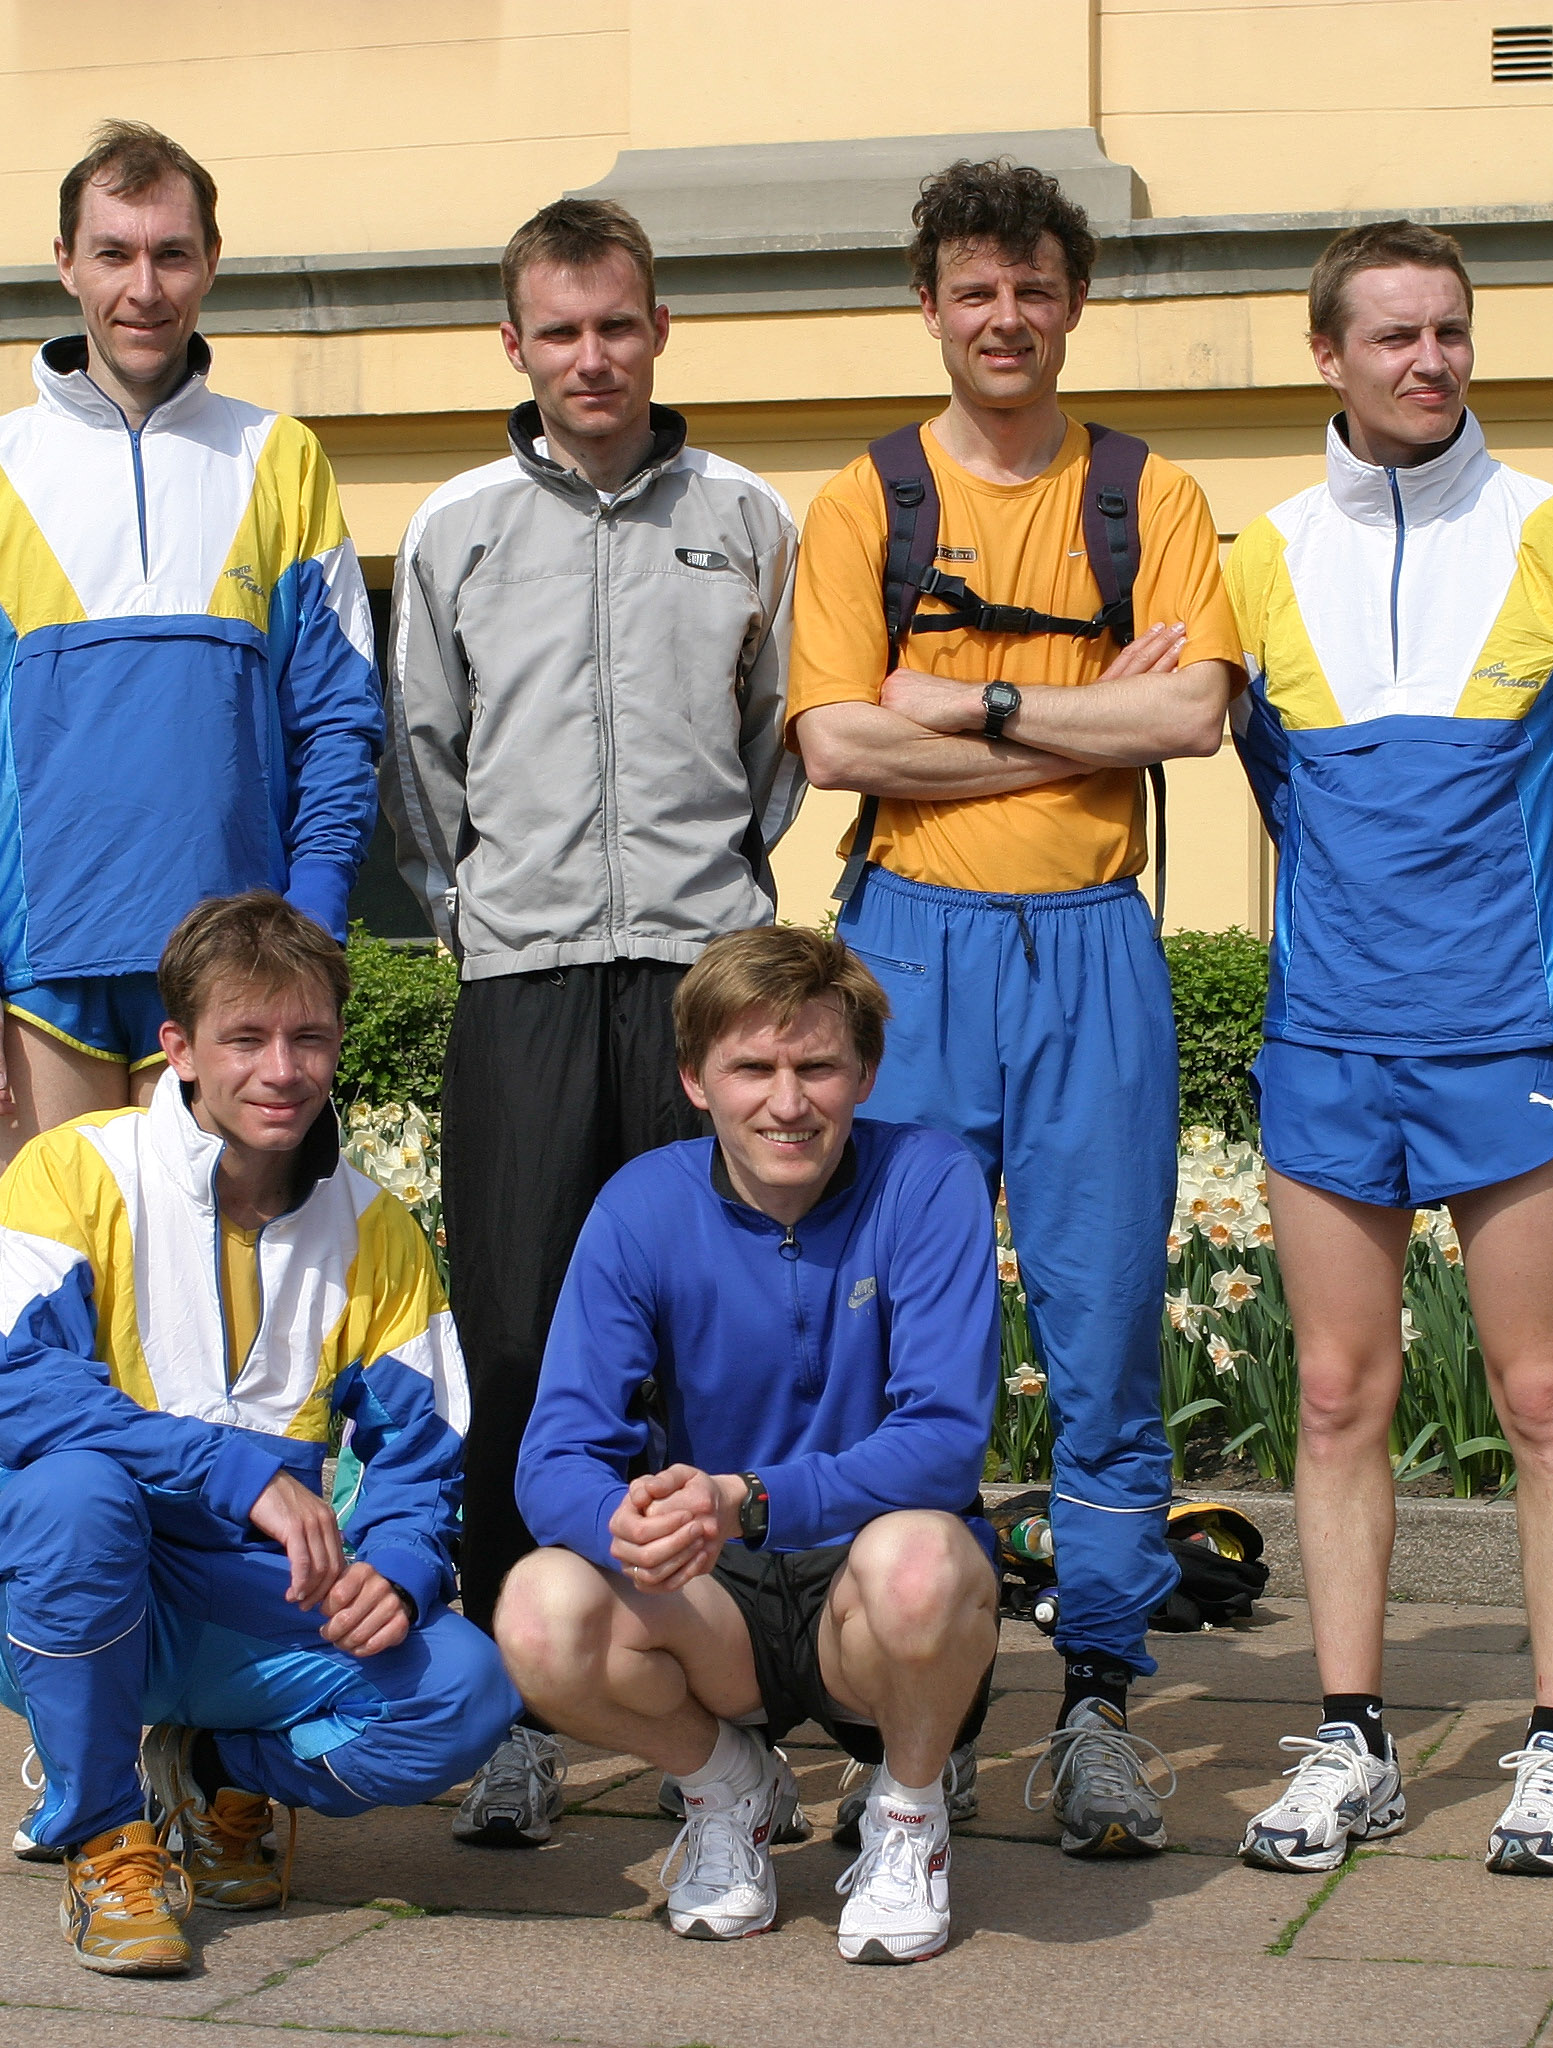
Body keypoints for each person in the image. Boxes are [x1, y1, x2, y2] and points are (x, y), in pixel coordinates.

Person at [785, 158, 1240, 1856]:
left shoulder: (1149, 495)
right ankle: (920, 1705)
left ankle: (1100, 1699)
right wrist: (1069, 716)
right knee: (898, 1339)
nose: (1005, 317)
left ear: (1072, 303)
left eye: (1033, 288)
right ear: (928, 305)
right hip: (908, 950)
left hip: (1093, 948)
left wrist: (959, 702)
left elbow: (1188, 717)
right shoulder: (864, 501)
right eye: (973, 289)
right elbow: (836, 742)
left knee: (1103, 1329)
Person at [1225, 221, 1553, 1880]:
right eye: (1394, 335)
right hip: (1328, 1036)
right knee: (1337, 1393)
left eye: (1450, 331)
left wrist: (1513, 956)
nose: (1428, 360)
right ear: (1326, 354)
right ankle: (1352, 1741)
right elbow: (1280, 786)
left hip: (1513, 1033)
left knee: (1541, 1392)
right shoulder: (1260, 556)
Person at [384, 197, 804, 1847]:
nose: (590, 357)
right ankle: (520, 1710)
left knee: (709, 1346)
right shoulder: (456, 526)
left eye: (616, 324)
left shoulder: (747, 517)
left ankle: (728, 1698)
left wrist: (719, 900)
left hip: (701, 974)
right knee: (515, 1339)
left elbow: (777, 742)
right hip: (525, 978)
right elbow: (422, 757)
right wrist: (488, 913)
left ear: (659, 328)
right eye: (557, 331)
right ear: (514, 345)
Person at [0, 891, 517, 1975]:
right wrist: (232, 1471)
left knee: (466, 1690)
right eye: (245, 1038)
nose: (282, 1070)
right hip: (51, 1581)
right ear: (180, 1049)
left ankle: (214, 1774)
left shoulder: (376, 1226)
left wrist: (398, 1566)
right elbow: (19, 1397)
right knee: (73, 1497)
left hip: (252, 1595)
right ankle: (103, 1837)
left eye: (310, 1037)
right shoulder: (69, 1172)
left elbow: (420, 1451)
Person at [496, 926, 1000, 1964]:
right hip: (716, 1599)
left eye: (818, 1066)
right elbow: (553, 1456)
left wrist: (749, 1498)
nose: (788, 1101)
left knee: (923, 1557)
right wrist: (621, 1519)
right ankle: (725, 1785)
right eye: (752, 1068)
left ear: (865, 1073)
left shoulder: (929, 1177)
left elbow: (947, 1441)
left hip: (870, 1601)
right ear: (695, 1080)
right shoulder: (642, 1205)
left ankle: (909, 1815)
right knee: (539, 1610)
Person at [0, 120, 381, 1159]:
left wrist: (311, 934)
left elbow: (340, 725)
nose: (144, 288)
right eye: (114, 253)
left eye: (171, 254)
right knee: (56, 1257)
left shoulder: (281, 458)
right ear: (66, 261)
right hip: (38, 971)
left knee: (224, 1265)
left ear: (211, 262)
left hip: (232, 977)